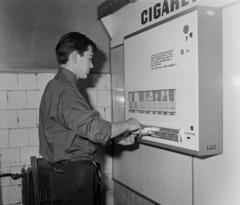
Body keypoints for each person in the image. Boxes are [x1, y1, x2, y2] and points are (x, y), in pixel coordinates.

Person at [38, 32, 142, 205]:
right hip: (75, 174)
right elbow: (93, 128)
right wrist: (127, 124)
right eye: (89, 58)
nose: (92, 65)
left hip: (62, 173)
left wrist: (116, 139)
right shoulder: (66, 90)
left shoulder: (54, 86)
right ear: (75, 56)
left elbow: (75, 133)